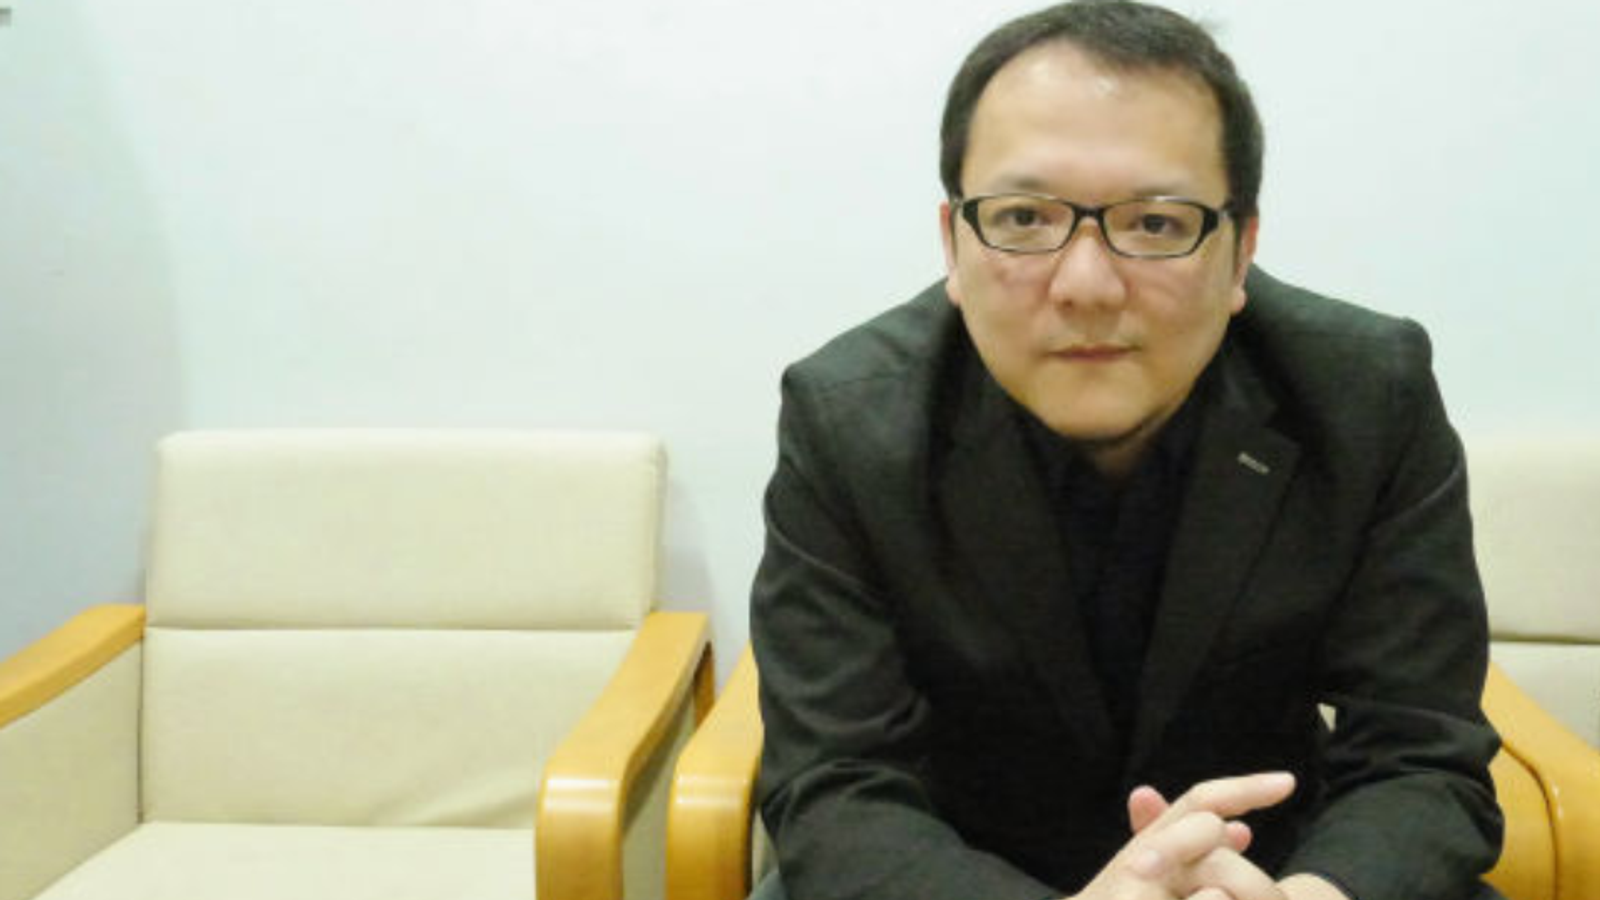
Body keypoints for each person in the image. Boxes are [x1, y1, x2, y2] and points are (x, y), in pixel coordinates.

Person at [748, 2, 1505, 900]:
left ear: (1240, 252)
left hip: (1271, 875)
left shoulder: (1367, 395)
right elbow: (834, 787)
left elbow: (1422, 755)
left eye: (1156, 223)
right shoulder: (848, 422)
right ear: (952, 243)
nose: (1087, 285)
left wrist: (1316, 893)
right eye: (1023, 216)